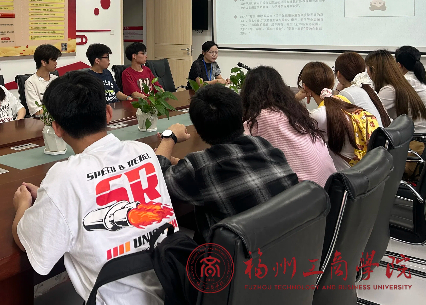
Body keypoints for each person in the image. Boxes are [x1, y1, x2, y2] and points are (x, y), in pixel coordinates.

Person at [13, 72, 181, 305]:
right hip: (175, 290)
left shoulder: (64, 177)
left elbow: (27, 242)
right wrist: (50, 197)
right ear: (108, 113)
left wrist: (23, 204)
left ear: (57, 128)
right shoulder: (142, 151)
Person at [156, 84, 298, 242]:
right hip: (287, 244)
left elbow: (154, 181)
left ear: (197, 130)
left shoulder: (198, 168)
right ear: (241, 116)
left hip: (231, 254)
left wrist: (169, 137)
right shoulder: (262, 145)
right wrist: (180, 164)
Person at [241, 66, 335, 186]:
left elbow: (237, 140)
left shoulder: (260, 118)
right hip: (331, 185)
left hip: (306, 191)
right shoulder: (296, 111)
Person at [297, 62, 379, 171]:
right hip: (365, 168)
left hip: (345, 175)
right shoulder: (342, 100)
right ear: (333, 82)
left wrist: (296, 98)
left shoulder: (318, 115)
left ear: (305, 87)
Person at [366, 49, 426, 133]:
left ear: (373, 69)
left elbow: (368, 114)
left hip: (413, 137)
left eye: (366, 68)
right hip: (418, 134)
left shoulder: (391, 90)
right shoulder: (404, 82)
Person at [334, 52, 391, 127]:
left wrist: (337, 91)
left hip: (371, 134)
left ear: (338, 74)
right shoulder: (367, 89)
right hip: (380, 132)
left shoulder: (346, 93)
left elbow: (332, 116)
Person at [25, 44, 61, 116]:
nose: (56, 63)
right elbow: (37, 111)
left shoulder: (56, 79)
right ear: (44, 62)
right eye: (53, 60)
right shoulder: (31, 82)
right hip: (43, 120)